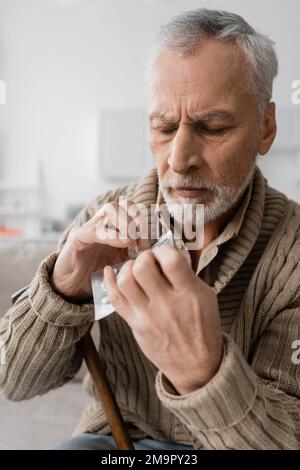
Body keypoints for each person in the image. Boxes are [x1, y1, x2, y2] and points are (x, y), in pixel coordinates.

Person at [1, 9, 300, 450]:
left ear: (265, 129)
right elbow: (13, 382)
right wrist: (63, 290)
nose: (178, 160)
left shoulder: (293, 253)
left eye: (212, 127)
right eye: (163, 126)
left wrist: (204, 372)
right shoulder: (102, 217)